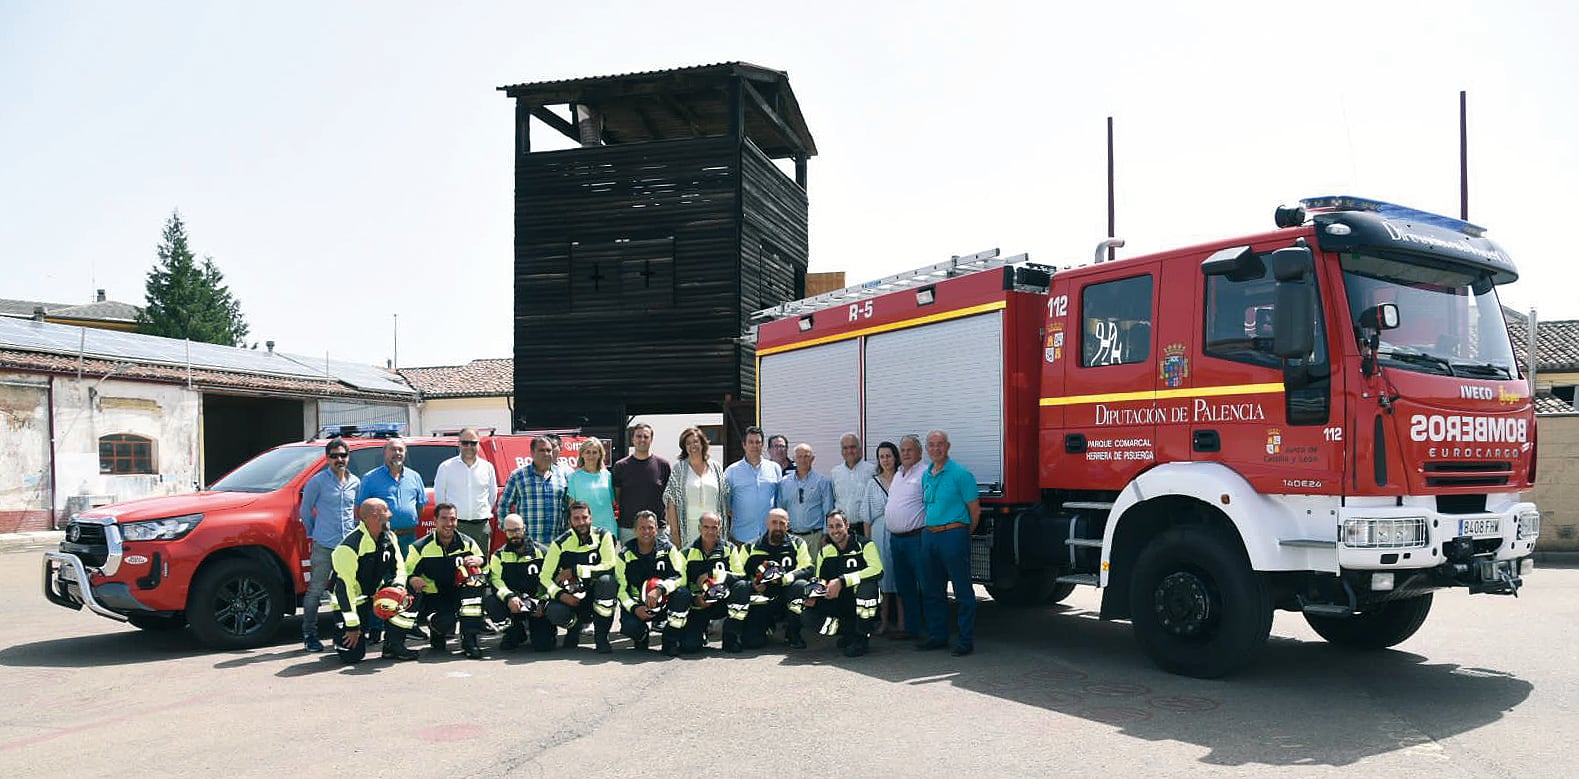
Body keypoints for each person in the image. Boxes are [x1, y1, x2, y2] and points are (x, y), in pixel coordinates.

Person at [917, 430, 981, 657]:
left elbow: (975, 511)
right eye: (931, 445)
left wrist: (961, 533)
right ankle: (938, 636)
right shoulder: (927, 474)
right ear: (927, 448)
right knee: (932, 590)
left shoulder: (961, 474)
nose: (936, 449)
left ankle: (965, 640)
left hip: (953, 535)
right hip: (930, 536)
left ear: (948, 446)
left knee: (962, 590)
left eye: (940, 444)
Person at [328, 498, 413, 663]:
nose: (390, 515)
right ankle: (343, 632)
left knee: (408, 591)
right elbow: (343, 589)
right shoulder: (348, 547)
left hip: (372, 596)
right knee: (352, 656)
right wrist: (352, 625)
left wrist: (398, 587)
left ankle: (393, 645)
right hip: (348, 604)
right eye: (386, 511)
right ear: (375, 516)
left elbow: (399, 568)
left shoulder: (389, 537)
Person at [402, 502, 489, 658]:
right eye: (444, 519)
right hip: (435, 596)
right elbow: (406, 572)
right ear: (435, 521)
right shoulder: (419, 547)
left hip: (460, 592)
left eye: (453, 519)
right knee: (445, 620)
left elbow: (484, 565)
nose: (449, 524)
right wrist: (413, 578)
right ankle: (436, 631)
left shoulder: (467, 543)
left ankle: (469, 640)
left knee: (474, 587)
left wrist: (480, 561)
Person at [299, 437, 360, 652]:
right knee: (316, 591)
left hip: (347, 548)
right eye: (334, 456)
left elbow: (357, 512)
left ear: (348, 457)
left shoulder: (355, 482)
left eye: (343, 455)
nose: (339, 459)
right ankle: (309, 634)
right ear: (327, 458)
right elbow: (305, 511)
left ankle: (345, 631)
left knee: (347, 590)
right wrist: (314, 532)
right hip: (325, 545)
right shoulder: (317, 482)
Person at [540, 501, 619, 653]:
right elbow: (545, 576)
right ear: (569, 521)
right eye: (576, 519)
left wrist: (576, 570)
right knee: (553, 610)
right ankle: (573, 628)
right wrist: (560, 595)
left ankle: (601, 637)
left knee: (608, 581)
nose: (581, 522)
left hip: (596, 593)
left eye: (585, 517)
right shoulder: (559, 543)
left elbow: (609, 565)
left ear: (591, 518)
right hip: (571, 596)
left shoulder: (604, 536)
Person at [731, 507, 814, 650]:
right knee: (753, 643)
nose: (778, 527)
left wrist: (784, 579)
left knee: (800, 585)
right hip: (762, 598)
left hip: (786, 595)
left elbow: (808, 568)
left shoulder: (798, 544)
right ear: (767, 524)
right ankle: (765, 625)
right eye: (774, 522)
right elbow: (737, 574)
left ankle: (792, 632)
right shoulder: (750, 547)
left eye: (782, 523)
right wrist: (753, 585)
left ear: (788, 525)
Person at [805, 509, 884, 657]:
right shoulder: (825, 552)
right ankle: (849, 633)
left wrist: (843, 581)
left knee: (867, 588)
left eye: (838, 525)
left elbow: (877, 570)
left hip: (860, 599)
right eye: (831, 527)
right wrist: (815, 593)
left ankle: (862, 638)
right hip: (838, 602)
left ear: (847, 525)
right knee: (807, 615)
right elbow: (820, 579)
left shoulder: (865, 544)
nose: (835, 531)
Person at [613, 510, 689, 655]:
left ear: (656, 529)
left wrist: (661, 589)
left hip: (664, 603)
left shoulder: (668, 549)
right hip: (638, 605)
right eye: (642, 528)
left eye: (651, 527)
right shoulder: (625, 554)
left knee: (683, 594)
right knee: (630, 627)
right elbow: (621, 590)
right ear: (635, 530)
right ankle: (642, 637)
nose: (647, 531)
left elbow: (681, 577)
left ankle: (669, 640)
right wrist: (635, 608)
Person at [672, 511, 747, 654]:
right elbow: (680, 583)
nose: (710, 531)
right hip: (699, 605)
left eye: (714, 527)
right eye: (706, 527)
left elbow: (741, 576)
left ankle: (731, 638)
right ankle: (700, 633)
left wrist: (715, 574)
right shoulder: (686, 553)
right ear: (699, 529)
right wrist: (695, 599)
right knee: (689, 646)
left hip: (723, 603)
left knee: (743, 587)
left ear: (720, 528)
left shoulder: (729, 549)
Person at [485, 513, 557, 652]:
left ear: (524, 529)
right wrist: (509, 597)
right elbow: (496, 581)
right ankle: (514, 632)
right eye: (510, 531)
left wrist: (543, 602)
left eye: (517, 530)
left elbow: (553, 580)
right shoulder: (498, 556)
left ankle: (547, 631)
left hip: (538, 606)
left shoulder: (542, 552)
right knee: (490, 600)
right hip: (513, 605)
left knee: (543, 646)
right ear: (504, 531)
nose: (515, 534)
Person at [884, 434, 927, 641]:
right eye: (903, 450)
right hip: (897, 539)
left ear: (920, 452)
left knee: (926, 585)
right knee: (905, 586)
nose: (906, 453)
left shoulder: (925, 473)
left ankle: (932, 631)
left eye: (910, 450)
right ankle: (912, 629)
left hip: (916, 538)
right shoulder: (899, 473)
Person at [356, 437, 427, 554]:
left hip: (409, 537)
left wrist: (407, 521)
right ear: (385, 452)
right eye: (393, 449)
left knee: (408, 571)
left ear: (405, 453)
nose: (397, 453)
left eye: (400, 450)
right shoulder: (370, 478)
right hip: (382, 537)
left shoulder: (415, 477)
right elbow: (361, 510)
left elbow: (420, 507)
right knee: (384, 572)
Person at [433, 428, 498, 556]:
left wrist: (478, 513)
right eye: (465, 443)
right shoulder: (446, 467)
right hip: (455, 527)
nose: (469, 446)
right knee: (454, 566)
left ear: (479, 444)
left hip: (480, 527)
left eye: (473, 443)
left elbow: (492, 496)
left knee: (480, 568)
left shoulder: (488, 467)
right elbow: (440, 499)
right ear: (459, 443)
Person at [498, 434, 571, 547]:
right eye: (542, 450)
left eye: (549, 450)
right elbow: (503, 505)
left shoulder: (564, 475)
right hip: (527, 544)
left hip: (556, 543)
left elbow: (568, 508)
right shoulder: (518, 475)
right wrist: (511, 532)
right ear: (532, 452)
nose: (546, 454)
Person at [662, 426, 730, 547]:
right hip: (688, 529)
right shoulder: (679, 469)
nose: (693, 446)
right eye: (688, 443)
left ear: (702, 443)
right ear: (685, 447)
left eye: (695, 441)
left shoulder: (716, 467)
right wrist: (675, 534)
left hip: (713, 528)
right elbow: (671, 502)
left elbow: (725, 497)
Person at [863, 440, 903, 637]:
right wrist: (867, 544)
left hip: (901, 532)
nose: (886, 460)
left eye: (889, 455)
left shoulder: (904, 479)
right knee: (884, 579)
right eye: (882, 457)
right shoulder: (873, 482)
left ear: (895, 457)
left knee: (902, 578)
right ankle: (884, 622)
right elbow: (867, 517)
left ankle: (904, 623)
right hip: (879, 532)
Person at [613, 423, 673, 543]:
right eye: (638, 436)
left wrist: (669, 524)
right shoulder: (621, 466)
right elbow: (617, 498)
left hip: (657, 529)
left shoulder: (663, 465)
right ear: (632, 439)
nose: (642, 440)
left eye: (646, 437)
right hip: (629, 529)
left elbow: (669, 499)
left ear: (651, 439)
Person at [724, 425, 781, 545]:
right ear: (744, 445)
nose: (755, 446)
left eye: (758, 442)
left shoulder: (775, 468)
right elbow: (726, 505)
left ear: (762, 445)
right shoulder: (731, 471)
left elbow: (778, 500)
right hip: (741, 537)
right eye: (751, 442)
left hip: (769, 537)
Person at [777, 443, 834, 557]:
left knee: (814, 571)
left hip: (815, 538)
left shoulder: (822, 482)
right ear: (794, 459)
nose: (803, 460)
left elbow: (828, 510)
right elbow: (780, 510)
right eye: (799, 456)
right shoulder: (784, 483)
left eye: (806, 456)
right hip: (791, 538)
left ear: (812, 459)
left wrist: (825, 535)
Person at [567, 437, 617, 536]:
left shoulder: (607, 476)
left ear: (600, 455)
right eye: (588, 452)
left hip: (608, 529)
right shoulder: (574, 477)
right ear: (582, 454)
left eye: (595, 452)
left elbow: (612, 503)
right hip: (583, 529)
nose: (591, 455)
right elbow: (571, 506)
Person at [830, 433, 877, 536]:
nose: (849, 451)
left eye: (853, 447)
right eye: (845, 448)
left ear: (860, 449)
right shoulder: (835, 473)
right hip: (841, 529)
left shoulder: (872, 471)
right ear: (841, 451)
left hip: (865, 528)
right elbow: (834, 499)